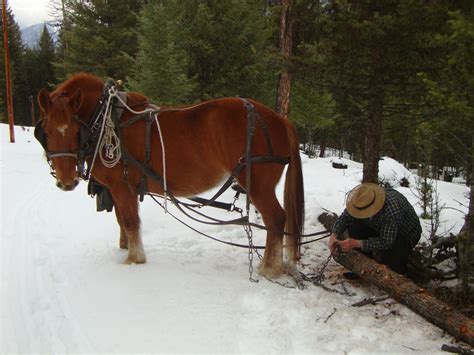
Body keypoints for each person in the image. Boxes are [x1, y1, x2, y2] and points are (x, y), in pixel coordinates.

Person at [329, 183, 422, 275]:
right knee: (354, 224)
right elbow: (345, 217)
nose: (361, 213)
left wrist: (357, 243)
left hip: (404, 235)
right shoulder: (361, 199)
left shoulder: (391, 210)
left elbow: (387, 242)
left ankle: (404, 271)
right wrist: (334, 235)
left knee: (392, 265)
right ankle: (363, 264)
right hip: (381, 228)